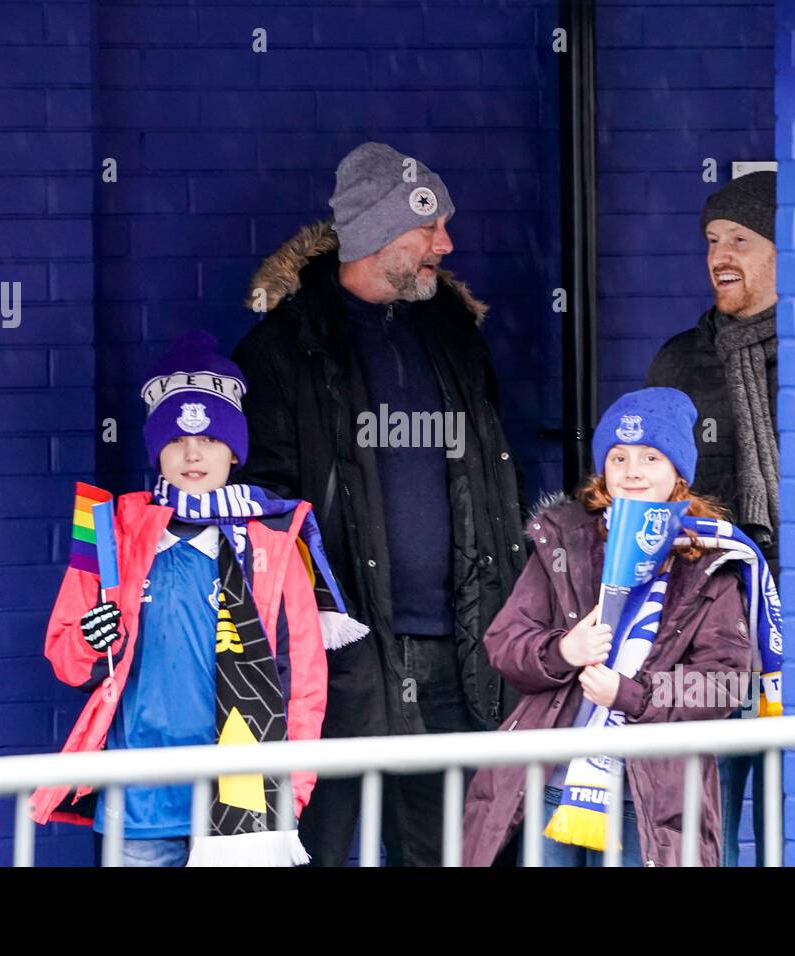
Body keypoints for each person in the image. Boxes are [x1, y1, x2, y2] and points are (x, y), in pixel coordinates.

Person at [231, 141, 527, 866]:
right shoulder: (282, 349)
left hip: (459, 653)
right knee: (320, 850)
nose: (447, 245)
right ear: (377, 233)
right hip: (339, 661)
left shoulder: (455, 335)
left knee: (449, 855)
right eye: (430, 229)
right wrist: (310, 621)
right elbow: (260, 510)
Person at [28, 331, 360, 866]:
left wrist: (292, 793)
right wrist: (92, 642)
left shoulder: (272, 544)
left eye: (209, 439)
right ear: (157, 449)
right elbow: (66, 660)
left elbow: (303, 683)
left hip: (242, 800)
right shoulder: (112, 530)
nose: (192, 453)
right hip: (137, 799)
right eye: (177, 440)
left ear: (235, 450)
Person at [462, 387, 777, 867]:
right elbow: (505, 644)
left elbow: (724, 683)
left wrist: (628, 695)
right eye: (618, 457)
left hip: (653, 799)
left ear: (678, 474)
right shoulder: (563, 543)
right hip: (555, 782)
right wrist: (563, 650)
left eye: (652, 457)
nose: (633, 471)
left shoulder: (710, 559)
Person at [645, 170, 781, 866]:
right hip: (705, 640)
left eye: (741, 239)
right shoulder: (680, 362)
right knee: (706, 831)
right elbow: (640, 494)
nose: (719, 255)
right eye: (711, 240)